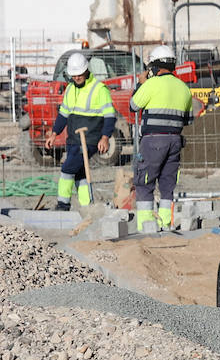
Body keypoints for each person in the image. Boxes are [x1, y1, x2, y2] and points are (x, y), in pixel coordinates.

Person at [129, 45, 194, 233]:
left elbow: (133, 105)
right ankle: (166, 223)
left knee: (144, 181)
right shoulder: (184, 88)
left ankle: (145, 225)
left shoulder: (151, 84)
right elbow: (188, 120)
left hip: (152, 141)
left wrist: (141, 84)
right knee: (167, 184)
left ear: (155, 67)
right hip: (175, 140)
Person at [45, 52, 116, 210]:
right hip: (73, 139)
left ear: (86, 71)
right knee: (79, 173)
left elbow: (110, 116)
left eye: (79, 74)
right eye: (74, 75)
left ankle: (63, 205)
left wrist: (105, 137)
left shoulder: (99, 89)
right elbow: (63, 114)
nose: (76, 78)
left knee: (67, 169)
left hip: (90, 139)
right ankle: (87, 207)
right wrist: (54, 133)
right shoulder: (70, 89)